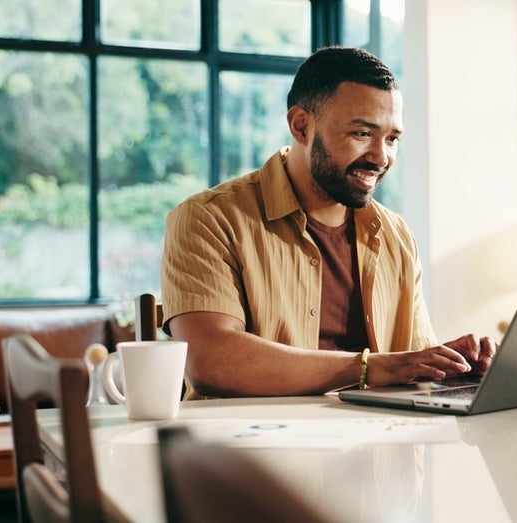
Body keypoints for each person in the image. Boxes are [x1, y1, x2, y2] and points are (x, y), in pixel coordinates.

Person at [161, 46, 496, 399]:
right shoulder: (209, 219)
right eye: (362, 134)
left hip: (377, 446)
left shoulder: (396, 236)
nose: (381, 158)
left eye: (392, 139)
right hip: (249, 448)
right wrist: (372, 368)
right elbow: (209, 361)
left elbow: (407, 365)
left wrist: (451, 368)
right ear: (301, 125)